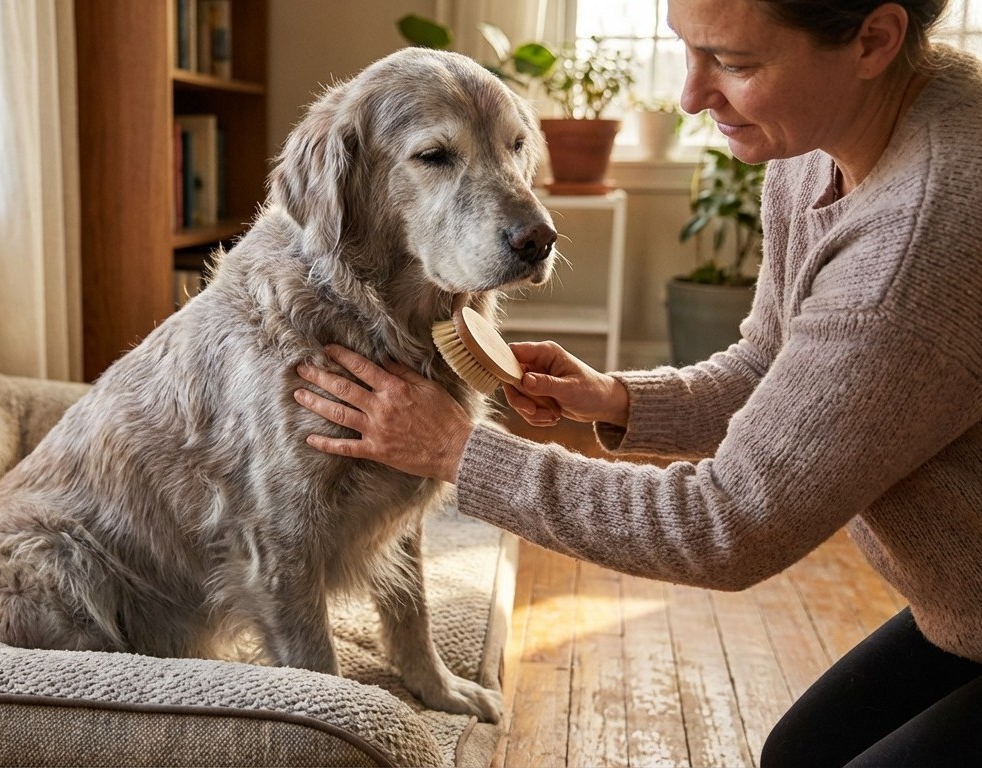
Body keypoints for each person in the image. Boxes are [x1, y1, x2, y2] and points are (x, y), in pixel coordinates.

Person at [292, 1, 982, 765]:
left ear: (873, 39)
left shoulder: (922, 236)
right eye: (685, 49)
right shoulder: (821, 138)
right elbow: (770, 367)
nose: (690, 95)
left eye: (735, 64)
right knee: (797, 756)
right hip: (961, 607)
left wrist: (462, 453)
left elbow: (728, 524)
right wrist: (618, 399)